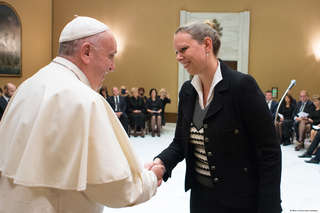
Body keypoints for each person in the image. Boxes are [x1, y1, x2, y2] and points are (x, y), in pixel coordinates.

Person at [0, 16, 164, 213]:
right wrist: (151, 179)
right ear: (86, 52)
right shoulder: (85, 101)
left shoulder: (27, 86)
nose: (112, 66)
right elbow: (117, 188)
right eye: (110, 56)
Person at [146, 20, 282, 213]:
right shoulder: (187, 91)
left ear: (207, 45)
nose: (178, 57)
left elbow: (270, 152)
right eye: (176, 52)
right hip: (201, 198)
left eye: (183, 49)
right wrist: (161, 163)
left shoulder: (242, 86)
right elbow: (180, 143)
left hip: (241, 200)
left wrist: (270, 207)